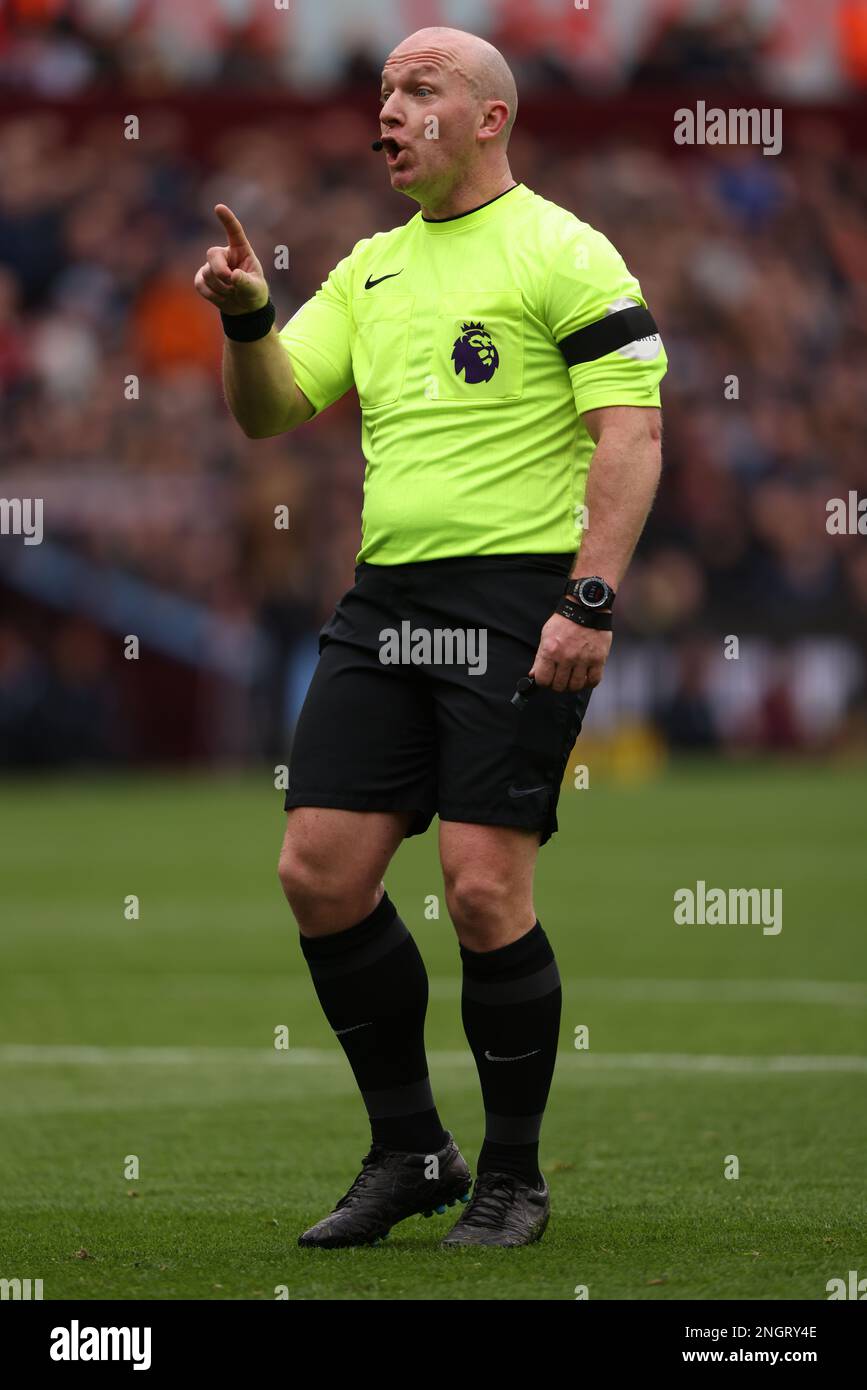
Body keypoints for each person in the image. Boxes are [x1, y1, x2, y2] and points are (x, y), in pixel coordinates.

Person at [194, 25, 666, 1249]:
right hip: (386, 603)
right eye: (383, 92)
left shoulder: (563, 247)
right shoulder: (368, 269)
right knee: (318, 873)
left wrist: (591, 598)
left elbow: (632, 435)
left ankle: (515, 1176)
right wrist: (249, 320)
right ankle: (411, 1148)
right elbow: (269, 414)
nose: (390, 111)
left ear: (491, 116)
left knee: (480, 886)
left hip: (519, 602)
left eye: (420, 89)